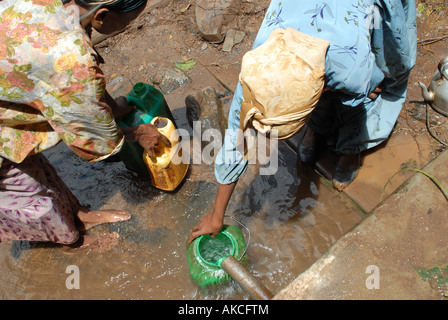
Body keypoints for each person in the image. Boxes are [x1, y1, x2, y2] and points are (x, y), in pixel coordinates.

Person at [188, 0, 417, 242]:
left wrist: (373, 82)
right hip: (305, 16)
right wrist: (217, 215)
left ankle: (351, 147)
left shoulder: (352, 70)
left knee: (370, 89)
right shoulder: (260, 65)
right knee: (333, 92)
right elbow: (237, 136)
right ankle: (317, 128)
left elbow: (370, 73)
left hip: (356, 21)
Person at [0, 0, 170, 252]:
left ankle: (77, 213)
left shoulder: (61, 8)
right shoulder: (70, 59)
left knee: (34, 166)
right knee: (25, 191)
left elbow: (79, 87)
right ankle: (71, 241)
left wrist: (113, 106)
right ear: (100, 16)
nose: (129, 25)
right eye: (129, 21)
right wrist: (138, 133)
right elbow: (92, 135)